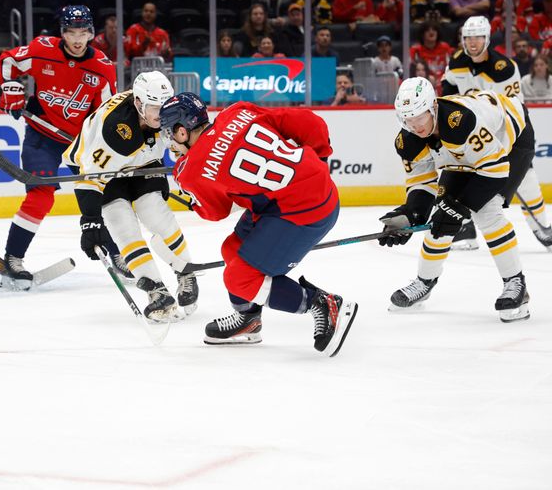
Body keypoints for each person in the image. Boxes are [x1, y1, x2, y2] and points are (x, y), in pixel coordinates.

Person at [158, 93, 358, 355]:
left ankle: (322, 304)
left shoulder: (192, 170)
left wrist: (188, 197)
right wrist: (315, 167)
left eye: (169, 133)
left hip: (303, 211)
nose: (170, 141)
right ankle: (248, 320)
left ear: (182, 131)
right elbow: (311, 123)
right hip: (301, 197)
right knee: (232, 250)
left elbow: (216, 211)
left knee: (238, 278)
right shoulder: (237, 112)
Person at [379, 78, 531, 322]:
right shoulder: (407, 140)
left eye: (420, 117)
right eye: (408, 119)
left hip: (510, 140)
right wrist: (409, 216)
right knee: (444, 214)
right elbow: (421, 184)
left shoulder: (460, 122)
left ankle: (516, 284)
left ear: (433, 108)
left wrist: (458, 208)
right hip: (467, 154)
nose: (415, 126)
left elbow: (495, 170)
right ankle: (424, 282)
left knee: (487, 213)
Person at [0, 5, 117, 290]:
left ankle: (118, 254)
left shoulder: (102, 67)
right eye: (71, 32)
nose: (77, 39)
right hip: (42, 134)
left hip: (81, 142)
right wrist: (10, 88)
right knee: (41, 196)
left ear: (91, 34)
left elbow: (107, 113)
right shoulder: (42, 50)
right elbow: (7, 62)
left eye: (83, 32)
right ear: (61, 32)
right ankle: (13, 259)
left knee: (108, 196)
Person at [63, 72, 199, 321]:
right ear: (138, 104)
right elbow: (90, 177)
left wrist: (195, 187)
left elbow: (185, 151)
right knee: (122, 225)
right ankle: (157, 291)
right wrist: (91, 221)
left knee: (156, 213)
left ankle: (185, 272)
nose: (162, 113)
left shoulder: (171, 112)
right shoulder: (116, 129)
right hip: (106, 169)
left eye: (165, 105)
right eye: (155, 108)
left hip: (144, 162)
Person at [442, 16, 552, 250]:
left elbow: (515, 110)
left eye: (478, 37)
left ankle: (543, 227)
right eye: (468, 38)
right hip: (474, 134)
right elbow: (448, 83)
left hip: (508, 131)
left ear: (488, 38)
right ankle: (467, 230)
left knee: (526, 181)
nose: (473, 43)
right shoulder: (456, 62)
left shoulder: (504, 69)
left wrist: (505, 146)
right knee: (463, 177)